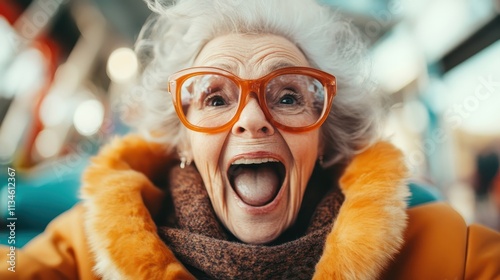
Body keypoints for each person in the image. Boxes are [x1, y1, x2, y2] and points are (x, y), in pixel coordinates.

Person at [1, 0, 499, 279]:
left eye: (287, 97)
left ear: (324, 139)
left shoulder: (445, 251)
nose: (252, 120)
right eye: (215, 99)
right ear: (183, 144)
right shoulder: (85, 250)